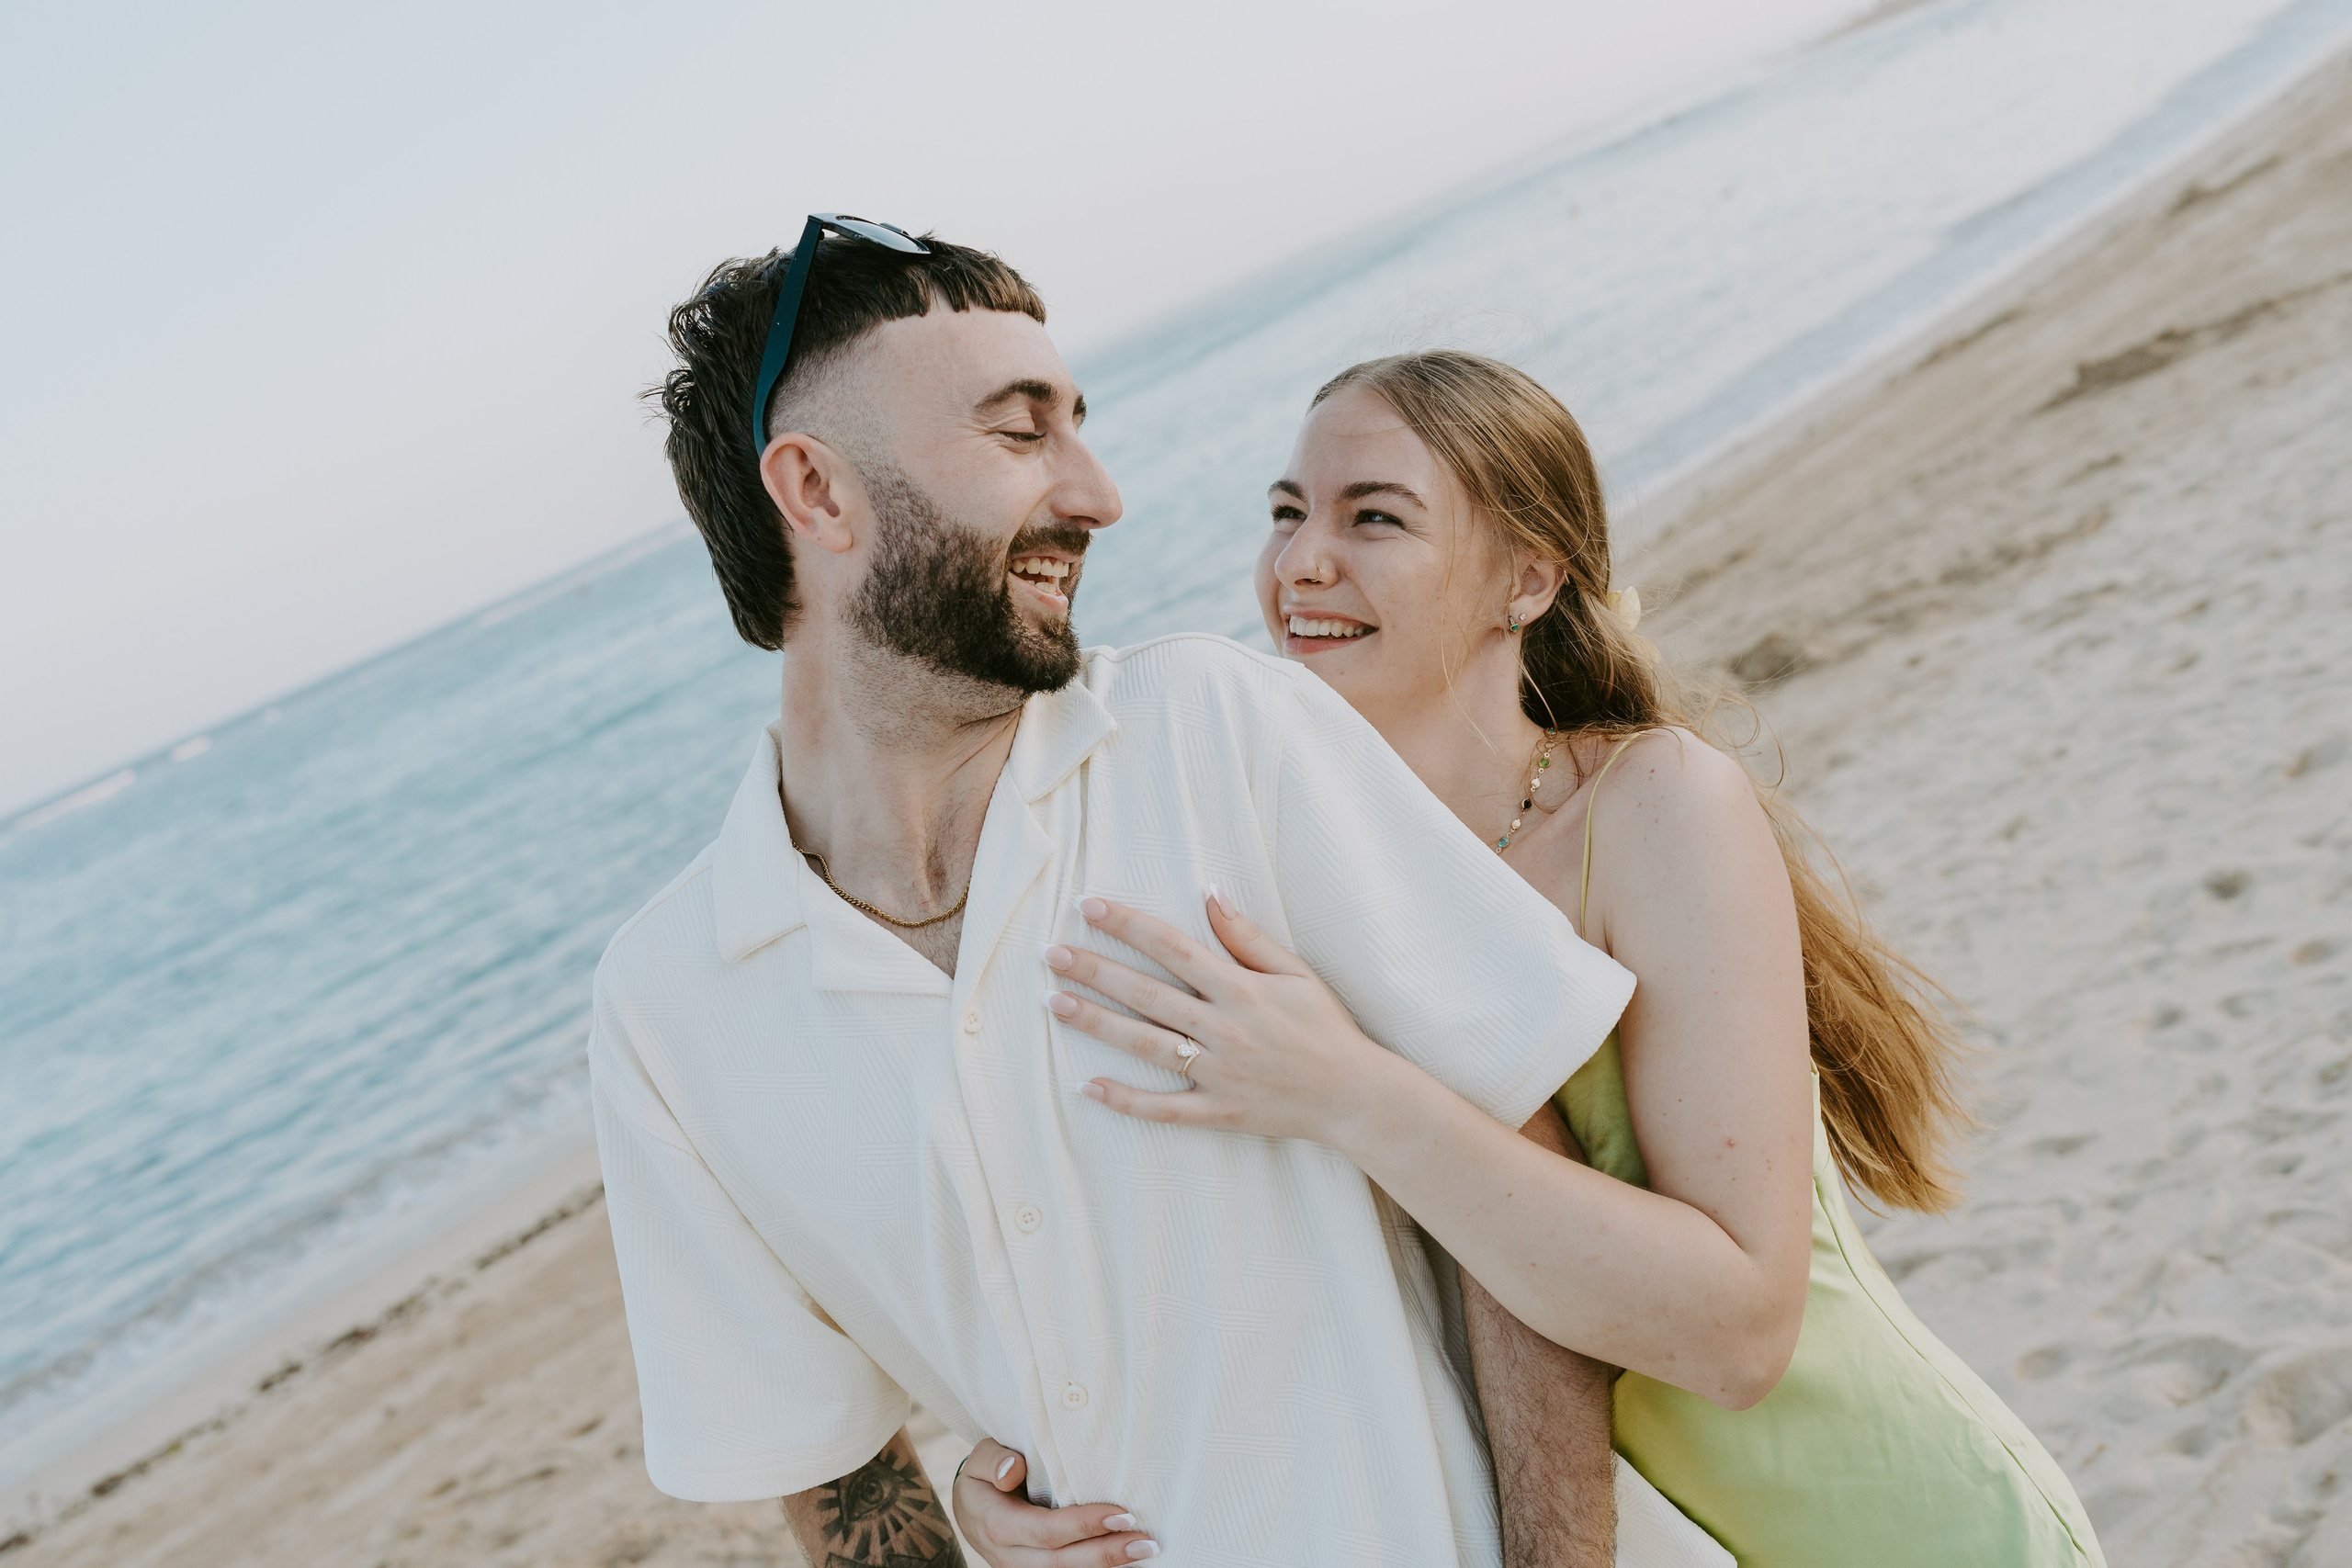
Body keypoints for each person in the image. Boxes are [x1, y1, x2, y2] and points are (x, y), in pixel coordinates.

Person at [594, 227, 1724, 1568]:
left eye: (1080, 426)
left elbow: (1508, 1184)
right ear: (819, 494)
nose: (1097, 493)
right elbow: (834, 1477)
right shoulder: (668, 1006)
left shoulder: (1216, 729)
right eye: (1024, 437)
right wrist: (973, 1508)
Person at [1034, 350, 2109, 1566]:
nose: (1301, 563)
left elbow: (1739, 1331)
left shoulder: (1653, 810)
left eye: (1370, 516)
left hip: (1882, 1520)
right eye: (1286, 514)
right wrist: (1018, 1473)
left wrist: (1352, 1093)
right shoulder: (1296, 897)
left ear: (1527, 578)